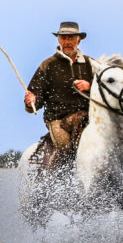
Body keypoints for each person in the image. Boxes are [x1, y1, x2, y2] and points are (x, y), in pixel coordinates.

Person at [24, 21, 92, 171]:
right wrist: (31, 101)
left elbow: (105, 89)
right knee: (65, 147)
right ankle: (56, 184)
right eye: (63, 38)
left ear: (78, 40)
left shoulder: (91, 64)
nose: (67, 42)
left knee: (116, 140)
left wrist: (90, 86)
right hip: (57, 119)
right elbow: (35, 99)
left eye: (71, 38)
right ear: (58, 40)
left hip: (88, 117)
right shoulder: (48, 65)